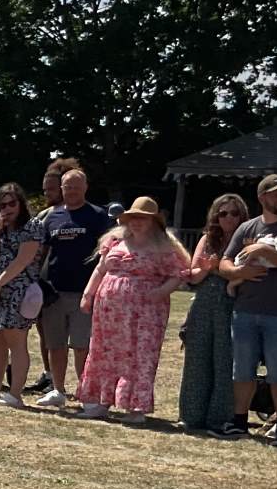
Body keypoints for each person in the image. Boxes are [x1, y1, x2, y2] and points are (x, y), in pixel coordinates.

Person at [74, 197, 190, 423]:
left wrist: (160, 292)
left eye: (142, 218)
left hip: (145, 312)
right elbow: (100, 269)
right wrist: (88, 294)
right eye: (133, 218)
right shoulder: (114, 242)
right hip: (109, 311)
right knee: (104, 351)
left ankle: (136, 408)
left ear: (153, 222)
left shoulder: (163, 248)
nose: (136, 222)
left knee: (140, 355)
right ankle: (101, 401)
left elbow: (178, 274)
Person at [218, 173, 277, 442]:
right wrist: (239, 273)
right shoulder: (247, 228)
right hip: (245, 310)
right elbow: (224, 263)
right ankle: (239, 421)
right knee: (242, 369)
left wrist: (263, 250)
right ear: (262, 198)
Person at [35, 167, 110, 408]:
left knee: (81, 346)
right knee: (55, 345)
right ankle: (58, 390)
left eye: (77, 187)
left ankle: (86, 393)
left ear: (86, 187)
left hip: (84, 292)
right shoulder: (52, 217)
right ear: (62, 189)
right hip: (54, 292)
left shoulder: (98, 216)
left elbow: (107, 252)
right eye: (68, 187)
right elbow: (42, 251)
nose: (72, 191)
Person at [178, 194, 248, 435]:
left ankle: (219, 418)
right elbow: (193, 275)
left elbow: (249, 272)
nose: (228, 218)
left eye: (234, 213)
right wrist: (209, 269)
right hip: (205, 302)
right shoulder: (208, 238)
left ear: (242, 216)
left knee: (224, 360)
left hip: (233, 303)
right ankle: (192, 415)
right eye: (223, 213)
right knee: (197, 358)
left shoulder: (248, 241)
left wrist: (223, 272)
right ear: (215, 216)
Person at [0, 183, 45, 406]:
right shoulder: (2, 229)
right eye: (2, 205)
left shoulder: (32, 226)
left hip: (18, 290)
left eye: (12, 203)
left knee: (16, 341)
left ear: (21, 204)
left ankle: (15, 394)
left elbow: (23, 260)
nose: (7, 209)